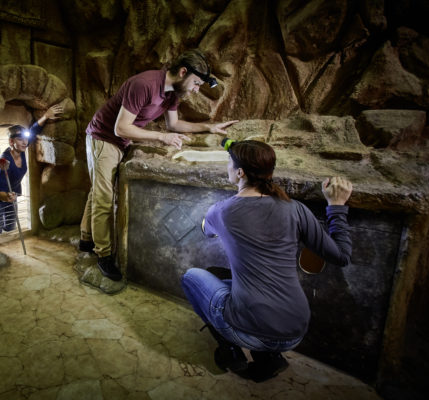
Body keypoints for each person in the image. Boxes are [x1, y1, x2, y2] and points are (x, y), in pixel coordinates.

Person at [180, 139, 353, 382]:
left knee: (192, 277)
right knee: (222, 276)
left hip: (250, 331)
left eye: (229, 163)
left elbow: (206, 230)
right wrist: (336, 206)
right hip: (295, 330)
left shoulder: (222, 211)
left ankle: (230, 350)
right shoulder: (296, 209)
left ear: (240, 173)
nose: (227, 167)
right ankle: (269, 358)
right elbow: (342, 256)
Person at [79, 48, 238, 281]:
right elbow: (120, 128)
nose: (196, 90)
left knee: (98, 190)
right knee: (104, 197)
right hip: (103, 138)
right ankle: (103, 254)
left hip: (120, 141)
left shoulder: (172, 93)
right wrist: (161, 137)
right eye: (195, 83)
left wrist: (209, 127)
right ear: (183, 72)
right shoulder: (144, 84)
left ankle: (86, 238)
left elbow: (174, 125)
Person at [0, 104, 63, 243]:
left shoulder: (21, 147)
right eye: (20, 139)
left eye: (25, 139)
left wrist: (46, 116)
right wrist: (6, 197)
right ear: (11, 141)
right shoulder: (5, 162)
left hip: (12, 193)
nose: (25, 142)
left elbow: (33, 130)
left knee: (11, 227)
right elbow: (0, 187)